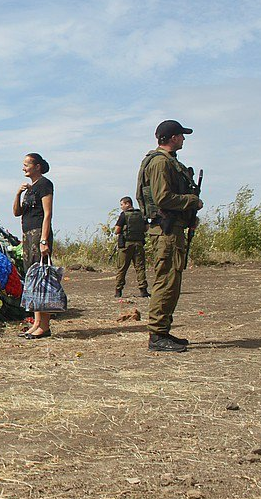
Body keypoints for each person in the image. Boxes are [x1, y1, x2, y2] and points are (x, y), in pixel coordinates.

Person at [137, 120, 203, 352]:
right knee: (165, 282)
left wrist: (188, 215)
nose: (184, 139)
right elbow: (163, 198)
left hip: (172, 229)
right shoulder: (160, 163)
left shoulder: (168, 162)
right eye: (181, 136)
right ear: (173, 137)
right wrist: (192, 201)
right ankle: (157, 335)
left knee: (171, 283)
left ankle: (162, 330)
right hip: (166, 231)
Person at [12, 152, 55, 340]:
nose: (23, 168)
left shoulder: (45, 184)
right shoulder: (30, 188)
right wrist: (18, 193)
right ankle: (36, 323)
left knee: (40, 279)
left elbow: (47, 214)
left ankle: (44, 326)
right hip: (27, 235)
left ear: (37, 166)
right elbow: (16, 212)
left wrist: (44, 239)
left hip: (39, 234)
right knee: (32, 279)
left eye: (26, 164)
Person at [113, 196, 149, 298]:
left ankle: (118, 290)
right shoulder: (141, 214)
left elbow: (116, 230)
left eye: (122, 204)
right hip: (139, 243)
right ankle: (143, 290)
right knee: (140, 267)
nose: (121, 207)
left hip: (126, 244)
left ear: (128, 204)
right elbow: (147, 228)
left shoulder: (124, 215)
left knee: (122, 268)